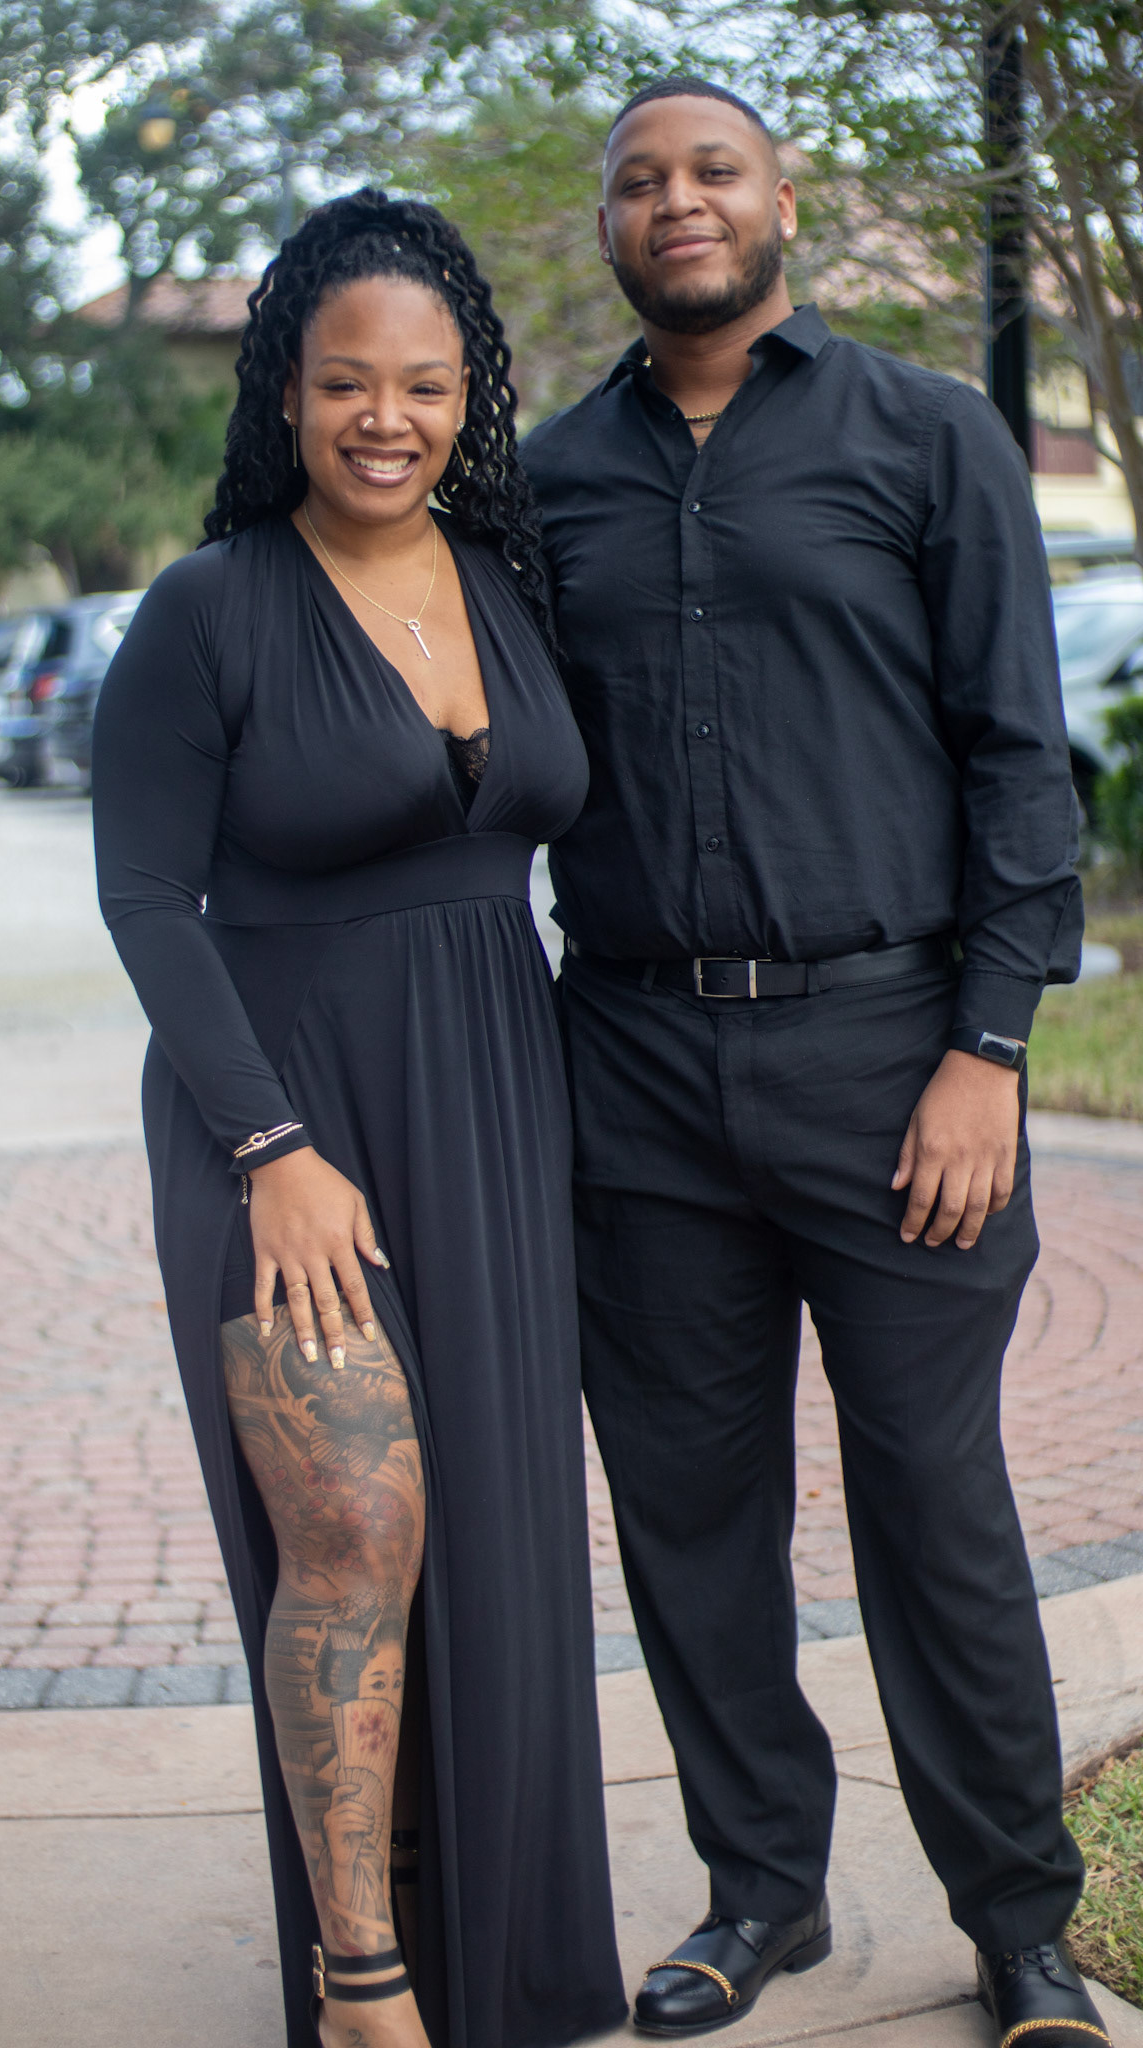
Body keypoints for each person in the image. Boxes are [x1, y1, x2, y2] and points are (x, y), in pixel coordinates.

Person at [522, 76, 1110, 2048]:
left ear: (785, 198)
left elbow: (1019, 762)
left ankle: (1018, 1924)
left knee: (934, 1504)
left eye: (712, 170)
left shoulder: (929, 436)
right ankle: (761, 1890)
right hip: (633, 1064)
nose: (675, 202)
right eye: (640, 181)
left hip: (891, 1059)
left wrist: (988, 1046)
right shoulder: (545, 482)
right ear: (613, 227)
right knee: (689, 1520)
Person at [93, 188, 627, 2048]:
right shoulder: (211, 608)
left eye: (422, 385)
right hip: (279, 1123)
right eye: (345, 383)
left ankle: (502, 1952)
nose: (384, 418)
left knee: (487, 1536)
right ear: (288, 391)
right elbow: (146, 899)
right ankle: (366, 1982)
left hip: (493, 1107)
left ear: (469, 396)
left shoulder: (510, 581)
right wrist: (272, 1154)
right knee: (356, 1527)